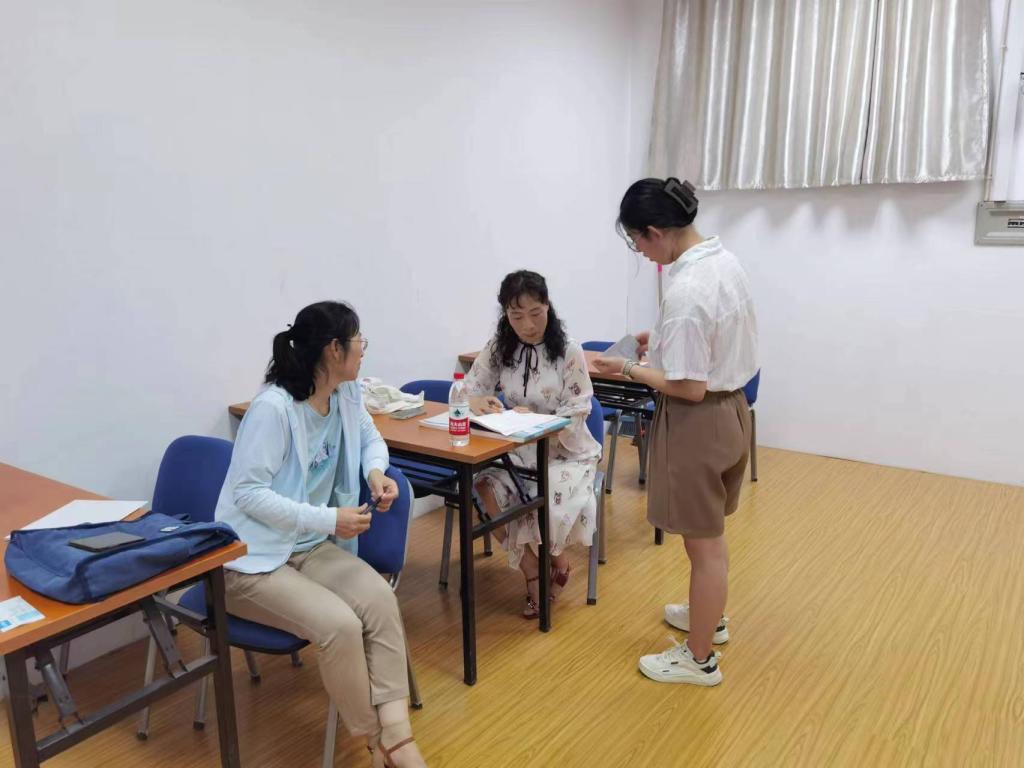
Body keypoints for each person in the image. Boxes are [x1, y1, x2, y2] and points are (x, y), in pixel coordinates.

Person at [215, 301, 427, 768]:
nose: (363, 349)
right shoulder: (273, 409)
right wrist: (328, 520)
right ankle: (376, 742)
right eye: (358, 341)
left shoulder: (345, 392)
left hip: (309, 547)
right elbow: (248, 494)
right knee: (340, 627)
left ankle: (398, 734)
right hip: (252, 559)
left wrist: (375, 473)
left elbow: (371, 439)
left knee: (380, 599)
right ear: (334, 349)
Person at [594, 178, 758, 687]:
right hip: (731, 411)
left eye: (637, 242)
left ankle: (699, 658)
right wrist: (660, 341)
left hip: (698, 421)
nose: (642, 255)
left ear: (655, 231)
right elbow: (711, 341)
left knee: (703, 545)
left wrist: (628, 368)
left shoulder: (687, 291)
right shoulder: (722, 261)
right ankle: (710, 616)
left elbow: (688, 387)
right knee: (710, 534)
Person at [465, 270, 601, 618]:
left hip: (564, 451)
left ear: (548, 307)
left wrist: (537, 422)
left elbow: (578, 410)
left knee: (543, 494)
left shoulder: (568, 351)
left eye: (535, 313)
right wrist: (478, 402)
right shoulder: (500, 347)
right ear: (505, 315)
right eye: (516, 316)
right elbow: (469, 389)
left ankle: (555, 557)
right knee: (482, 488)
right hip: (517, 449)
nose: (527, 325)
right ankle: (531, 568)